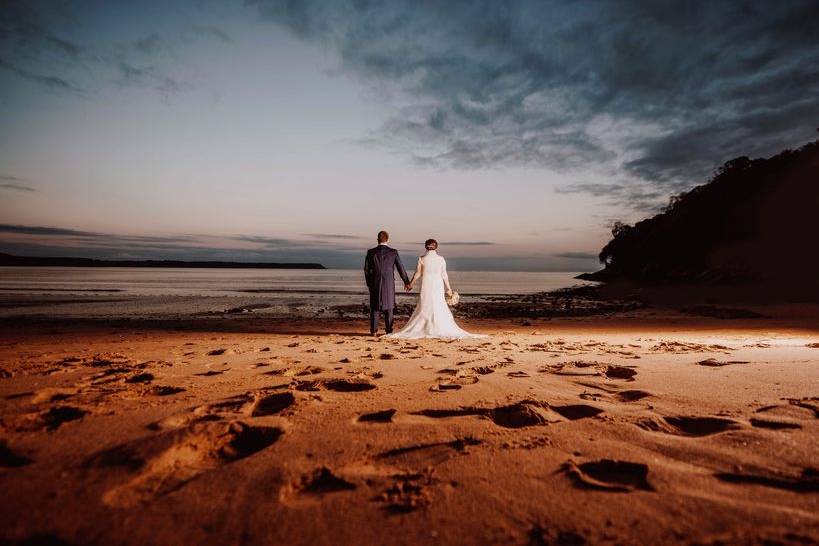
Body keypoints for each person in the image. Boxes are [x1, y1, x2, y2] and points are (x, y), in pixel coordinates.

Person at [387, 239, 486, 339]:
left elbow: (418, 273)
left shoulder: (422, 258)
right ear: (436, 247)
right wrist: (449, 289)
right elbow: (444, 275)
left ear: (426, 247)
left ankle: (425, 325)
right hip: (437, 286)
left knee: (425, 304)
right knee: (439, 304)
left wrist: (411, 283)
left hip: (427, 285)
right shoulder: (441, 259)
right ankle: (438, 325)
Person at [363, 230, 411, 336]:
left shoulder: (371, 252)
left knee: (375, 307)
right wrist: (406, 281)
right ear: (388, 239)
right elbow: (400, 267)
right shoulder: (393, 252)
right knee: (389, 306)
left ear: (377, 240)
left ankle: (373, 331)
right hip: (388, 283)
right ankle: (389, 330)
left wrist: (369, 283)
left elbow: (366, 270)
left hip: (375, 282)